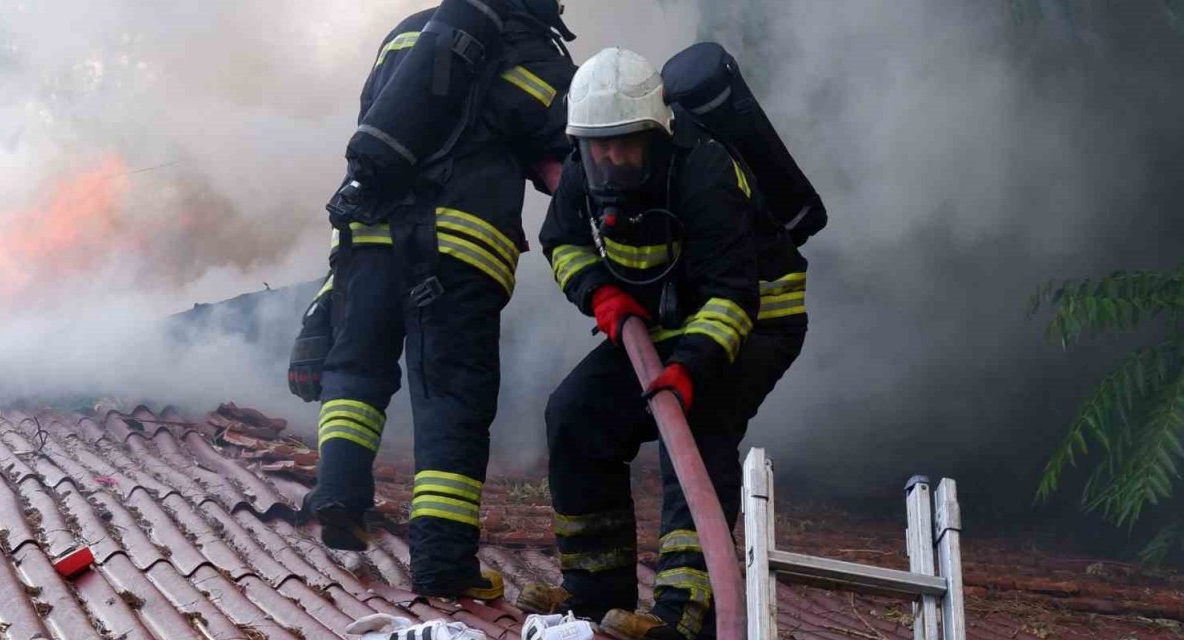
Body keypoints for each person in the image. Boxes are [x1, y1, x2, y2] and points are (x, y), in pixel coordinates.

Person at [287, 0, 577, 600]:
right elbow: (572, 148)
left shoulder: (407, 32)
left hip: (368, 234)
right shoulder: (532, 49)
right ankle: (443, 562)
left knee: (355, 371)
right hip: (459, 247)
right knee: (452, 399)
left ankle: (339, 494)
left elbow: (378, 123)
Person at [519, 47, 809, 640]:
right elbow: (561, 240)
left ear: (656, 132)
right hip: (656, 325)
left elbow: (733, 298)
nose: (609, 157)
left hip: (756, 322)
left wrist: (689, 369)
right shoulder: (585, 162)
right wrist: (599, 295)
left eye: (624, 142)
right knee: (574, 415)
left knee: (697, 428)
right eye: (597, 144)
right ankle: (594, 595)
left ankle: (684, 616)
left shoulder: (704, 170)